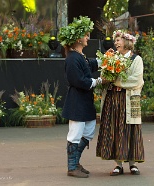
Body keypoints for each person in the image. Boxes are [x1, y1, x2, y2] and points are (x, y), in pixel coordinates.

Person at [58, 16, 102, 178]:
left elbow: (89, 64)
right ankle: (72, 167)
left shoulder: (78, 55)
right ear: (77, 38)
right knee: (75, 134)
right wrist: (99, 81)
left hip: (85, 101)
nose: (88, 38)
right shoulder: (72, 58)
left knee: (89, 131)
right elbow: (78, 80)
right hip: (77, 101)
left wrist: (106, 60)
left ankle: (75, 162)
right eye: (86, 35)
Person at [96, 30, 145, 176]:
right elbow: (104, 76)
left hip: (129, 99)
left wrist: (116, 80)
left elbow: (137, 80)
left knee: (130, 129)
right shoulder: (112, 57)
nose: (116, 42)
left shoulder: (136, 59)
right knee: (115, 130)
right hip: (113, 99)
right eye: (115, 40)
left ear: (127, 42)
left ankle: (133, 163)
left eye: (119, 40)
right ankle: (118, 164)